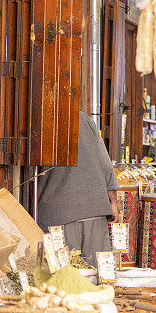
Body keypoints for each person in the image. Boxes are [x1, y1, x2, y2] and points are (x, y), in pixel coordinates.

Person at [36, 112, 119, 267]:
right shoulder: (83, 118)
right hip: (95, 209)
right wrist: (113, 201)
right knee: (99, 278)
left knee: (64, 280)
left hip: (59, 213)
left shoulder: (39, 115)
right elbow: (105, 162)